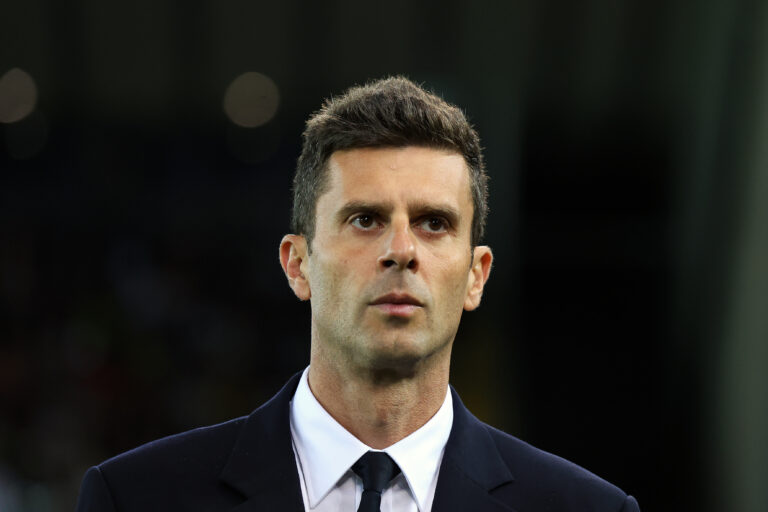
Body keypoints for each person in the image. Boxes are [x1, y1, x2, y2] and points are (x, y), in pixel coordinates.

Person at [75, 76, 640, 511]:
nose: (401, 249)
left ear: (476, 276)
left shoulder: (585, 508)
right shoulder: (137, 498)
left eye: (434, 223)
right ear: (297, 264)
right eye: (366, 219)